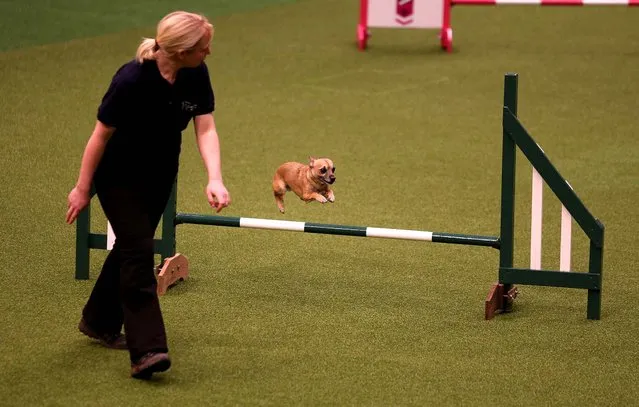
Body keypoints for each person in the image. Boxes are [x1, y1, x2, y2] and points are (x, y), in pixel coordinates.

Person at [65, 10, 231, 379]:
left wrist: (214, 177)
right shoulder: (130, 80)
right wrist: (81, 188)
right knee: (139, 254)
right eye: (204, 47)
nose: (209, 52)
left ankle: (97, 321)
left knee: (129, 247)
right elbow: (99, 136)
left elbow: (205, 128)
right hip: (119, 179)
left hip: (159, 178)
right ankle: (148, 350)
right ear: (182, 49)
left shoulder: (195, 73)